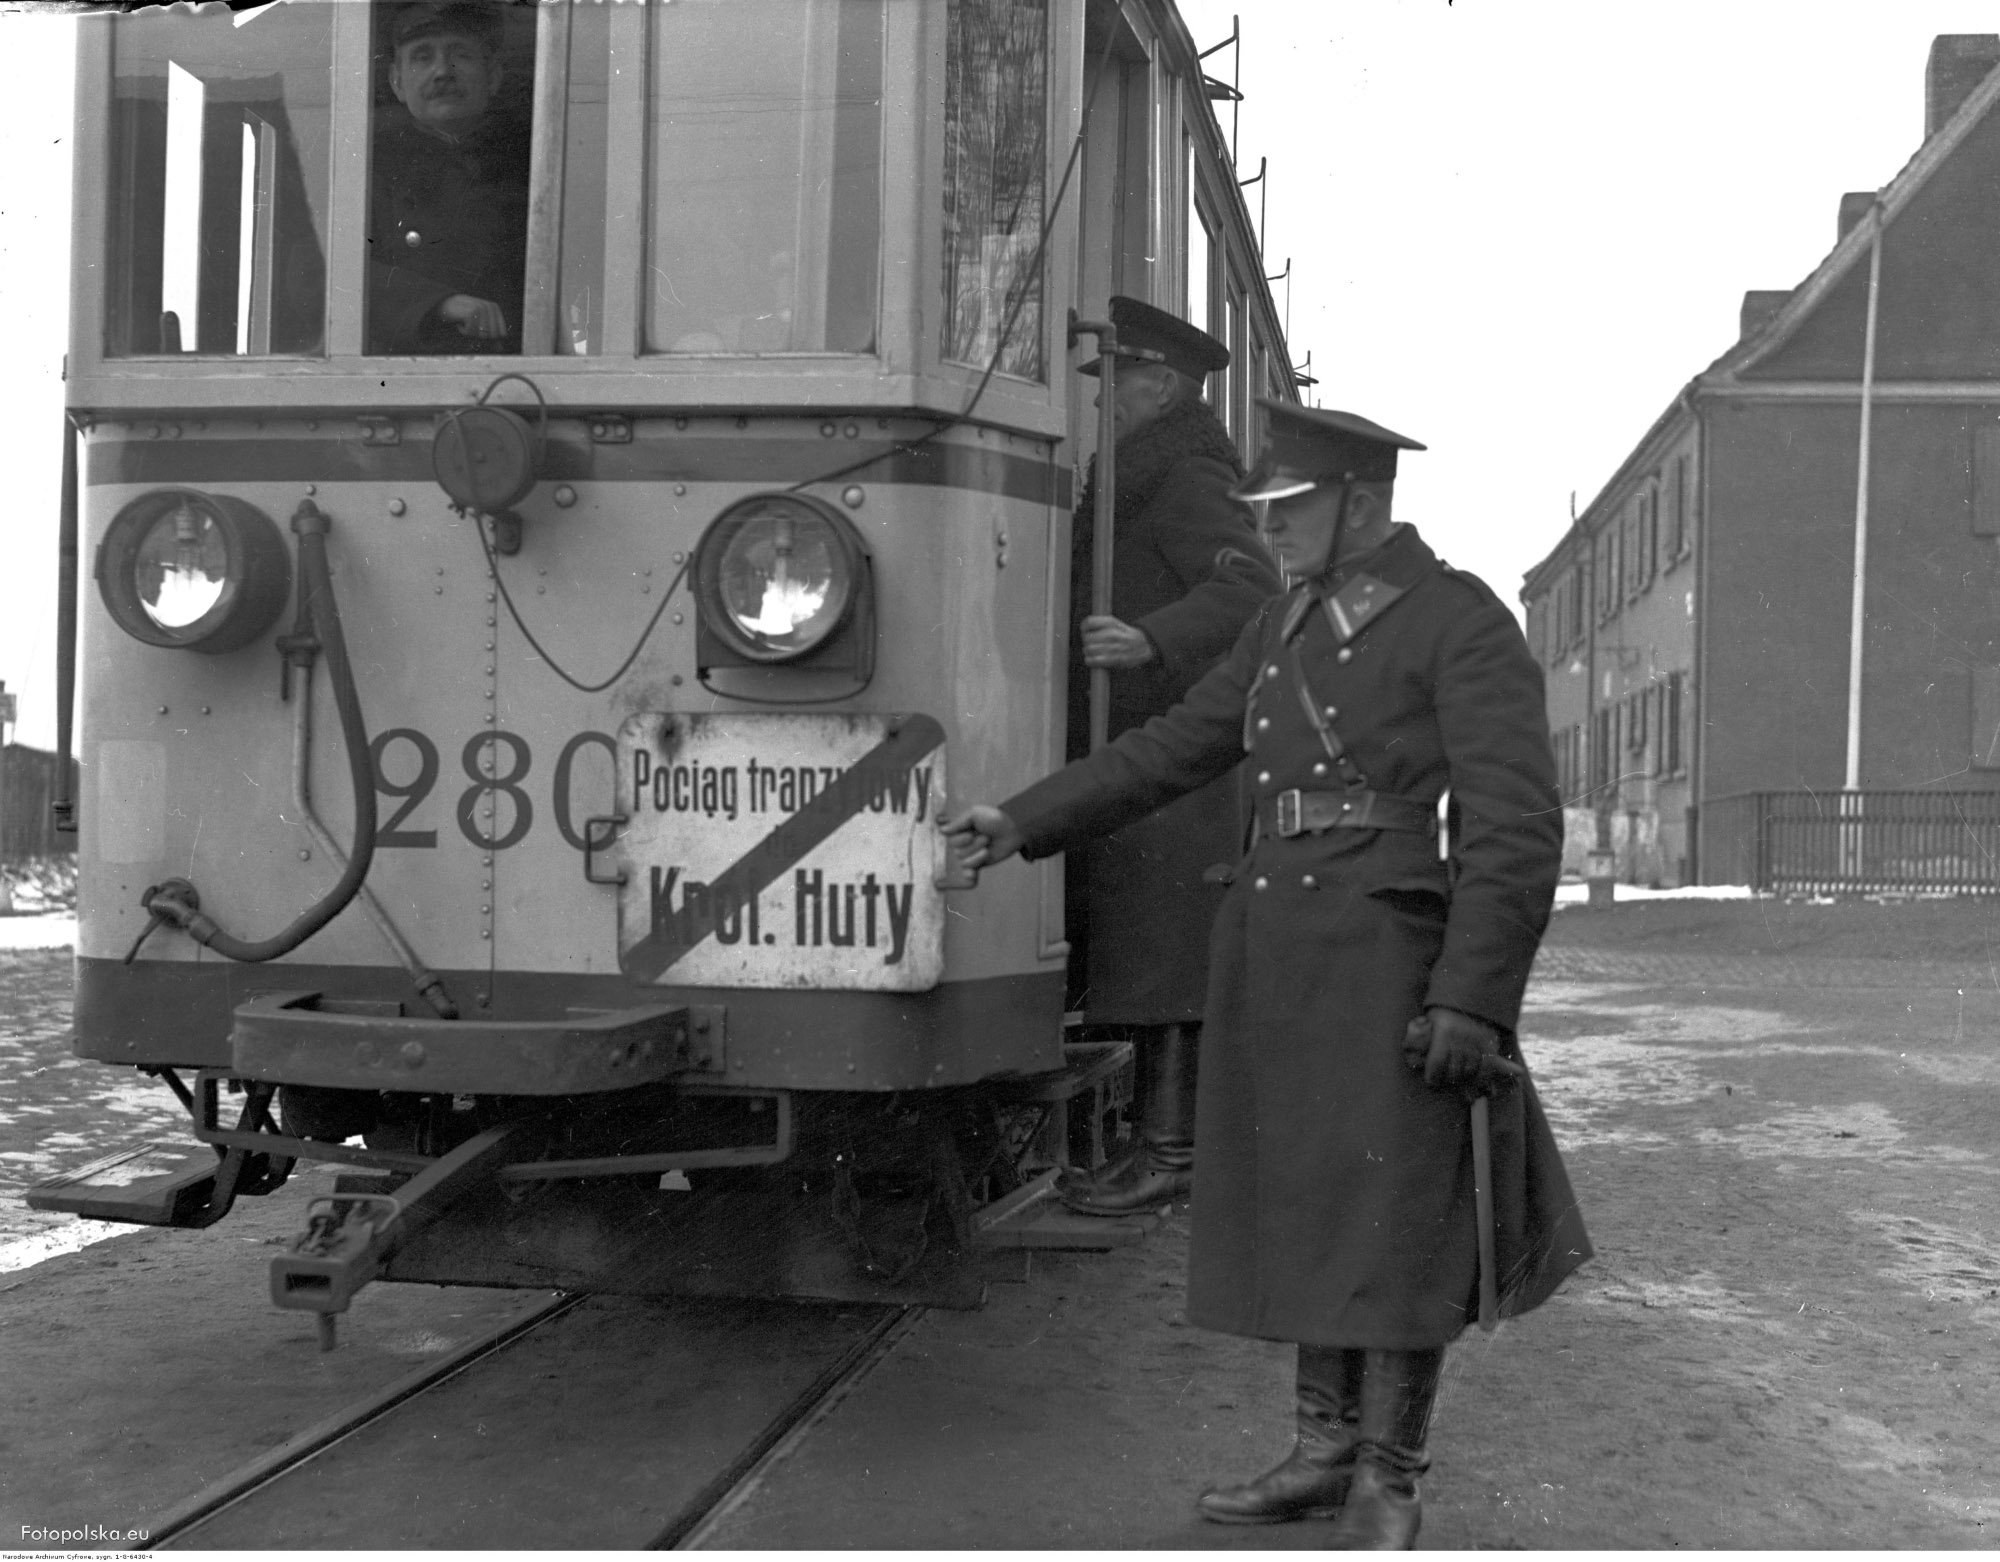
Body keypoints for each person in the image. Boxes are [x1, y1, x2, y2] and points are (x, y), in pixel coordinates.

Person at [944, 402, 1592, 1546]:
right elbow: (1171, 747)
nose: (1272, 531)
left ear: (1359, 502)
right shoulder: (1280, 624)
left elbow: (1512, 828)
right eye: (1266, 511)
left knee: (1392, 1215)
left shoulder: (1456, 618)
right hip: (1273, 953)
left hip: (1391, 957)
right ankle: (1321, 1449)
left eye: (1289, 510)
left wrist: (1469, 996)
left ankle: (1389, 1476)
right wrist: (1020, 819)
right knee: (1304, 1201)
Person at [1058, 296, 1280, 1217]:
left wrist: (1148, 639)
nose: (1104, 400)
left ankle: (1172, 1152)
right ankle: (1153, 1145)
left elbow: (1250, 596)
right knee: (1144, 949)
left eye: (1115, 382)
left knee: (1166, 958)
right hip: (1148, 750)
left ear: (1160, 382)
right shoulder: (1150, 468)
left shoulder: (1185, 473)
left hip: (1174, 753)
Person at [367, 1, 528, 355]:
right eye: (423, 57)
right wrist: (439, 304)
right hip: (399, 377)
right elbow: (313, 277)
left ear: (494, 76)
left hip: (516, 375)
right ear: (396, 82)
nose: (443, 72)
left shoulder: (533, 170)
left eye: (461, 55)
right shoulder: (362, 173)